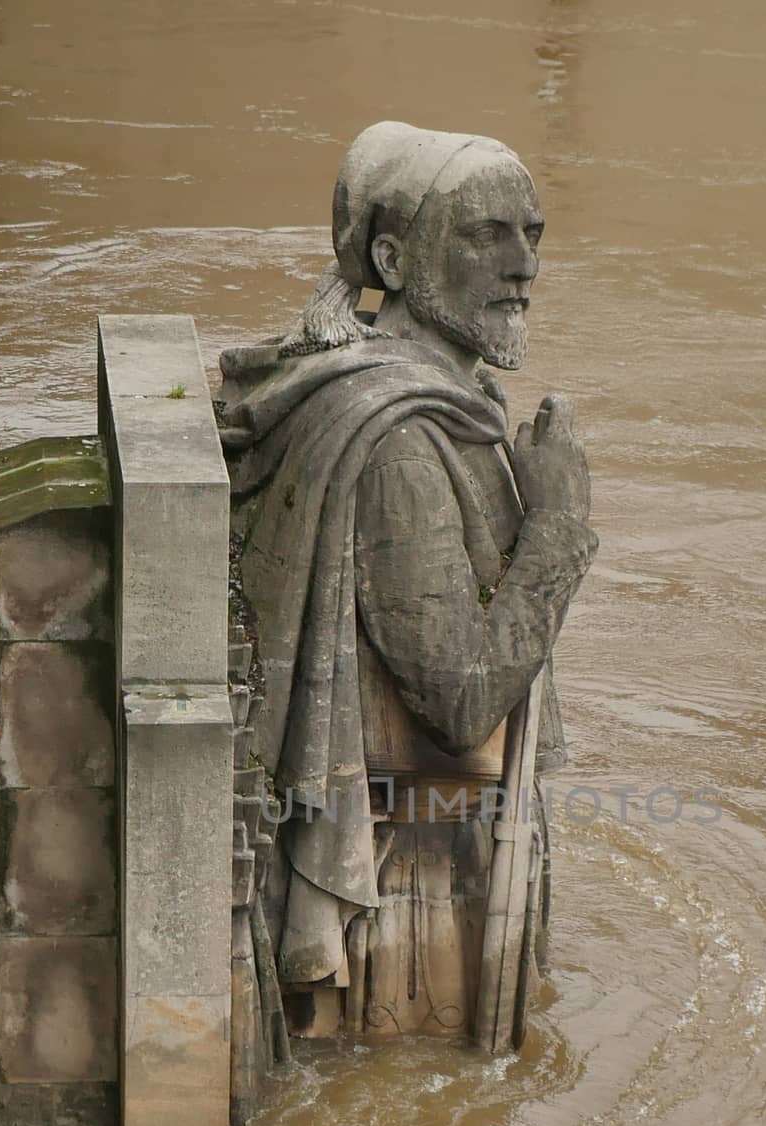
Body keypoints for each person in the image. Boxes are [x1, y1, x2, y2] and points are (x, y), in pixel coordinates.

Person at [217, 121, 596, 1042]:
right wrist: (559, 528)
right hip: (410, 897)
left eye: (531, 235)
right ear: (392, 256)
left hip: (435, 852)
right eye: (485, 236)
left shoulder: (429, 401)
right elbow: (460, 701)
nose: (521, 268)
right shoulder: (399, 443)